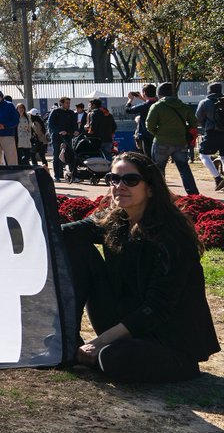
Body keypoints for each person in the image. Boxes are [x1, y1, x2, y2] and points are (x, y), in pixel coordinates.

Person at [62, 151, 219, 382]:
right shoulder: (116, 219)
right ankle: (70, 343)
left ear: (150, 188)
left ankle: (100, 355)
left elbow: (157, 309)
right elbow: (67, 232)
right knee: (75, 246)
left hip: (167, 338)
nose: (120, 186)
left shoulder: (173, 236)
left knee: (115, 358)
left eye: (130, 180)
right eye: (114, 179)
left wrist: (99, 341)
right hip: (125, 321)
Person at [145, 82, 199, 195]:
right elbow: (194, 123)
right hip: (181, 142)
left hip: (161, 142)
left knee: (158, 169)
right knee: (184, 168)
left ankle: (159, 194)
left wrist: (158, 133)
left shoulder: (157, 106)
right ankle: (193, 194)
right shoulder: (184, 106)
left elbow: (149, 125)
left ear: (159, 93)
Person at [194, 81, 224, 191]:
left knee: (203, 155)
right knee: (223, 155)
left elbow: (198, 118)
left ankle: (217, 178)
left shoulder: (205, 102)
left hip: (212, 132)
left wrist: (205, 125)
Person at [48, 97, 78, 181]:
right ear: (61, 103)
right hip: (57, 138)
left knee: (71, 155)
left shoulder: (71, 113)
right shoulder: (55, 112)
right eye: (66, 103)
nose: (68, 105)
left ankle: (73, 176)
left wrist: (76, 130)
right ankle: (57, 176)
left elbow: (74, 124)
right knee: (57, 156)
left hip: (68, 137)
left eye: (69, 103)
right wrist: (59, 131)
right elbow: (50, 124)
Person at [125, 84, 158, 159]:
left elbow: (128, 110)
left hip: (146, 134)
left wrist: (130, 99)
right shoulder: (159, 104)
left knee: (148, 156)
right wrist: (142, 98)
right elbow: (151, 103)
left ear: (144, 93)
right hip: (159, 134)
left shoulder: (144, 106)